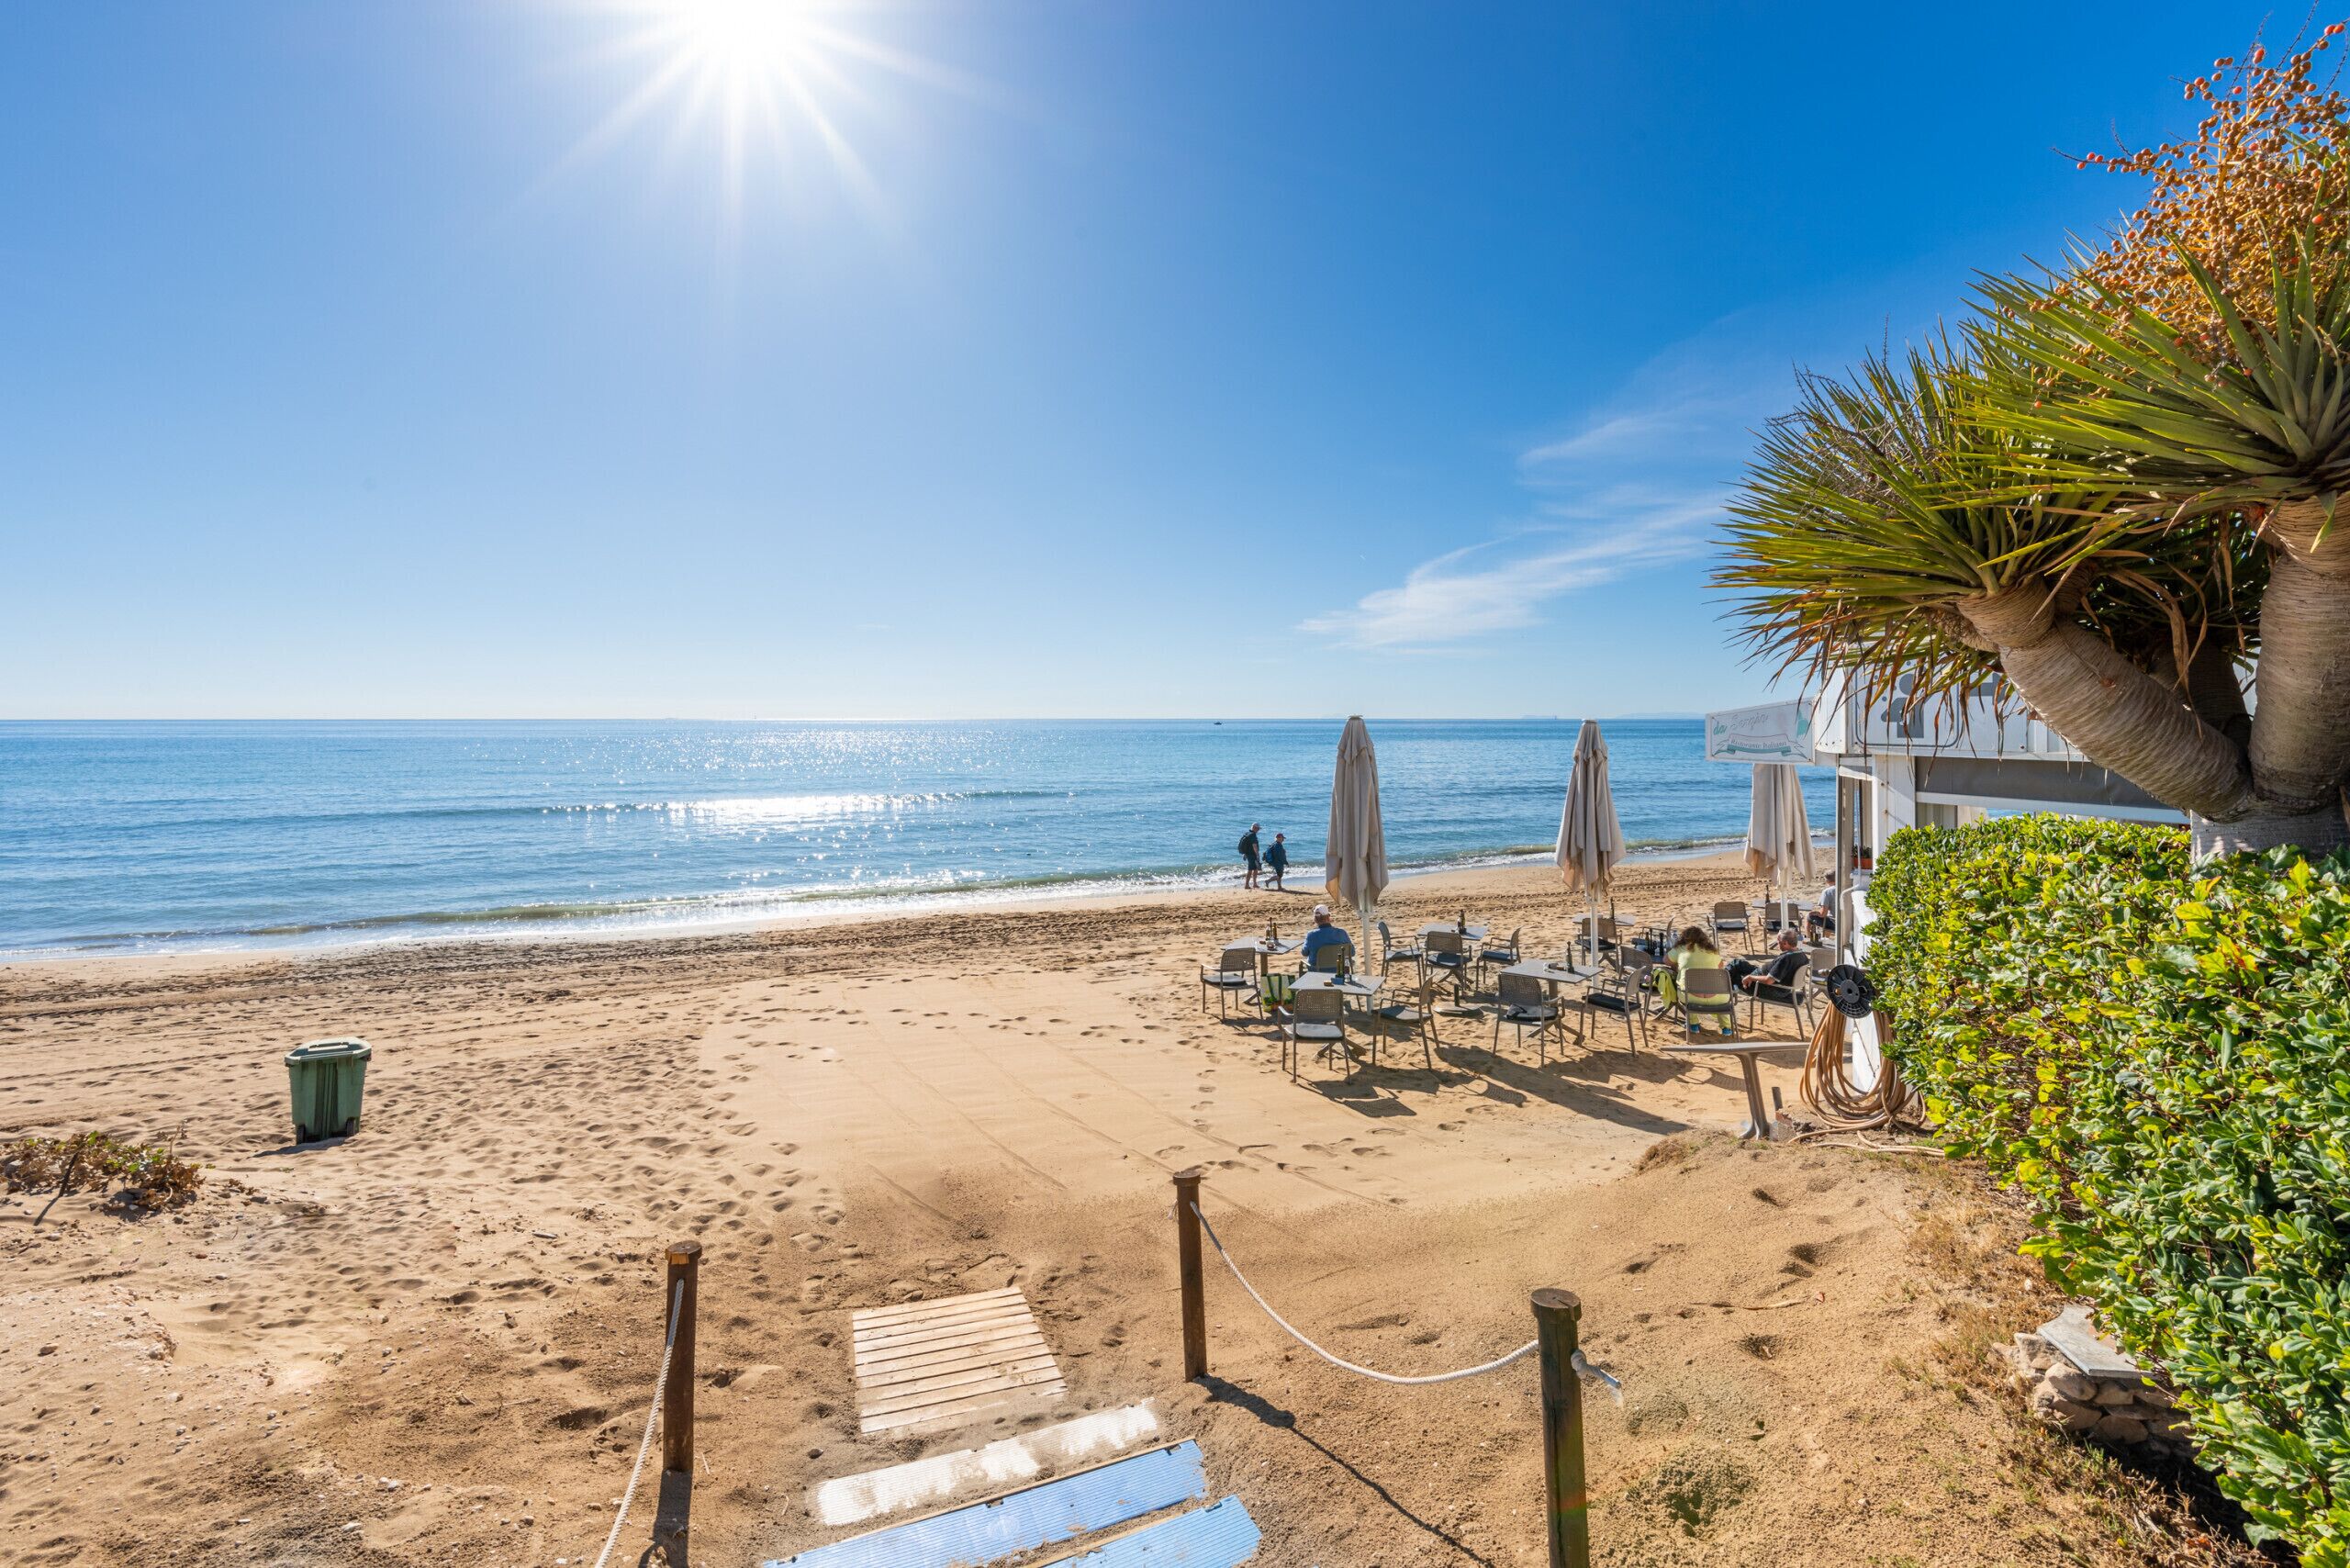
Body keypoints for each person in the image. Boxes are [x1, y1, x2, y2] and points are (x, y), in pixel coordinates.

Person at [1657, 924, 1731, 1034]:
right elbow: (1720, 967)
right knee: (1711, 986)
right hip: (1718, 997)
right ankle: (1727, 1028)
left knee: (1688, 986)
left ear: (1684, 938)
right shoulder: (1712, 951)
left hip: (1690, 997)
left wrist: (1679, 963)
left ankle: (1693, 1025)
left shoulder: (1681, 948)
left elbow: (1666, 961)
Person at [1729, 930, 1808, 995]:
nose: (1778, 944)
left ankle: (1719, 988)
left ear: (1785, 943)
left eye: (1778, 941)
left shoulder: (1786, 959)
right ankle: (1719, 983)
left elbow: (1768, 980)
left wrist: (1750, 977)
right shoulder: (1802, 955)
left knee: (1732, 976)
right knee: (1737, 963)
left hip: (1766, 987)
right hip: (1766, 976)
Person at [1299, 903, 1351, 969]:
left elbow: (1304, 953)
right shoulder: (1342, 933)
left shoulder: (1311, 935)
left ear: (1315, 920)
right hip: (1340, 971)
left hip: (1318, 972)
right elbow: (1352, 952)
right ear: (1329, 917)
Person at [1237, 823, 1262, 890]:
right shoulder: (1253, 835)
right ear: (1254, 828)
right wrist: (1257, 855)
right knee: (1250, 870)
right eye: (1258, 829)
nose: (1258, 830)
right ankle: (1246, 885)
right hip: (1252, 855)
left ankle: (1254, 884)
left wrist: (1245, 854)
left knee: (1255, 869)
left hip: (1248, 854)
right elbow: (1254, 846)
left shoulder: (1247, 833)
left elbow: (1247, 845)